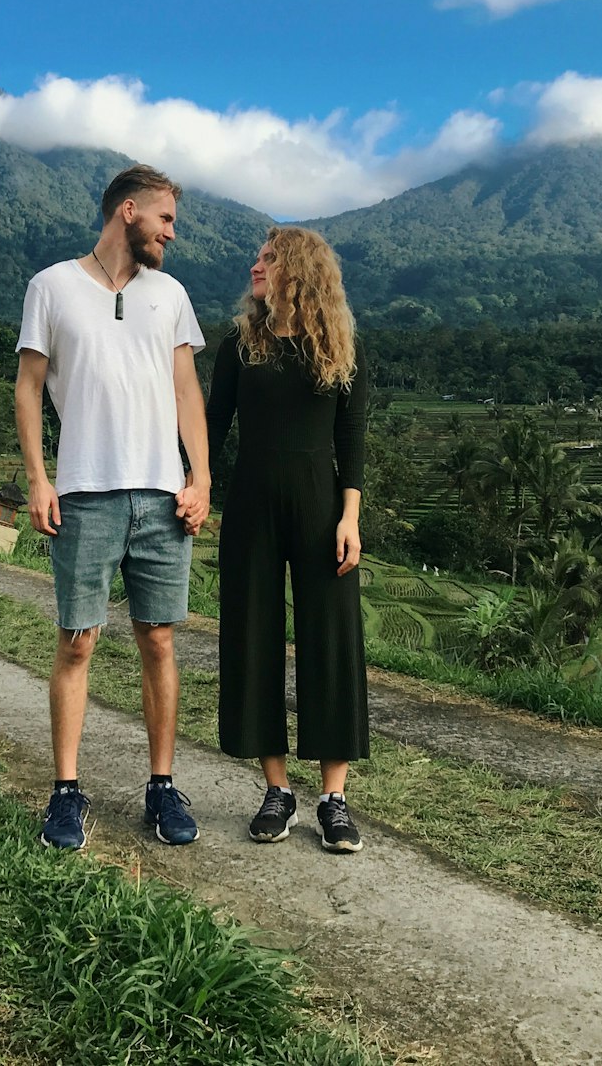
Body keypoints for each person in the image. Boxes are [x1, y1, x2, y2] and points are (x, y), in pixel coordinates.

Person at [15, 165, 211, 850]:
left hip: (161, 497)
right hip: (85, 496)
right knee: (77, 642)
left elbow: (187, 392)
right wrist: (39, 478)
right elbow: (28, 387)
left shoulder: (171, 295)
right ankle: (66, 792)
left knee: (158, 640)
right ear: (128, 212)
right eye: (165, 220)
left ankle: (161, 788)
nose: (171, 234)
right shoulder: (51, 287)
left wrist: (201, 477)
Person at [205, 225, 369, 853]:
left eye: (268, 257)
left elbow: (352, 439)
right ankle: (277, 790)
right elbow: (214, 430)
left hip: (322, 509)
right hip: (250, 506)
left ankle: (334, 798)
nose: (256, 264)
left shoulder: (340, 347)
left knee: (331, 642)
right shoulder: (239, 345)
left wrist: (350, 517)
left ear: (298, 269)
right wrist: (195, 490)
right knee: (252, 638)